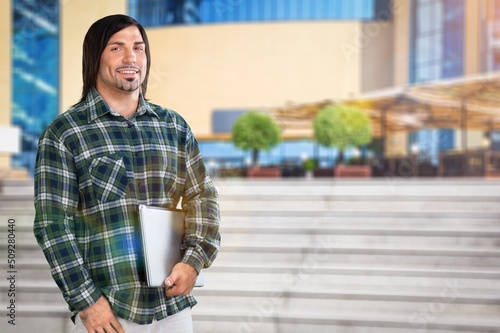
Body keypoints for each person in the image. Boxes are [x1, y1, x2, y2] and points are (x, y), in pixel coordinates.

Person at [33, 14, 221, 333]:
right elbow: (53, 225)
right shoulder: (65, 133)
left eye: (138, 47)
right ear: (95, 57)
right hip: (110, 310)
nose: (131, 57)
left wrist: (194, 259)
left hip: (172, 306)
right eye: (116, 48)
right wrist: (87, 302)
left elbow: (202, 196)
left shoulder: (173, 126)